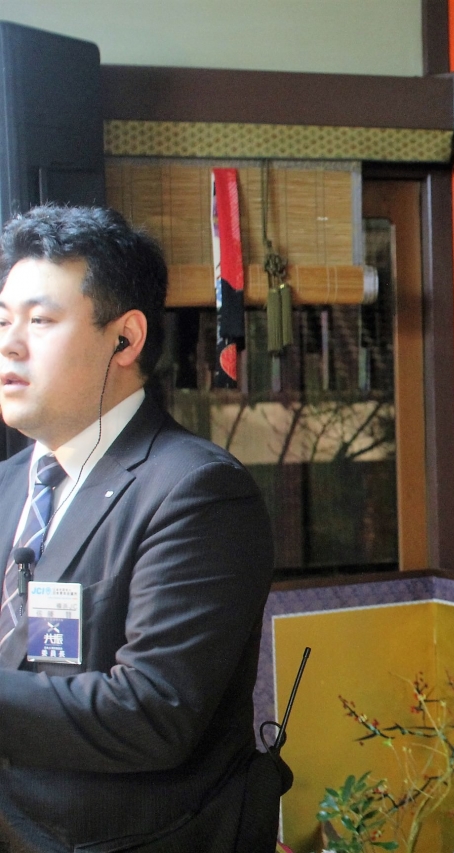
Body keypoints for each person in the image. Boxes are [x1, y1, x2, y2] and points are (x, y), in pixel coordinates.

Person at [0, 205, 274, 851]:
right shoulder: (8, 484)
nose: (10, 343)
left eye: (40, 320)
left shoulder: (196, 490)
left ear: (125, 339)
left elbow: (153, 712)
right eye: (3, 319)